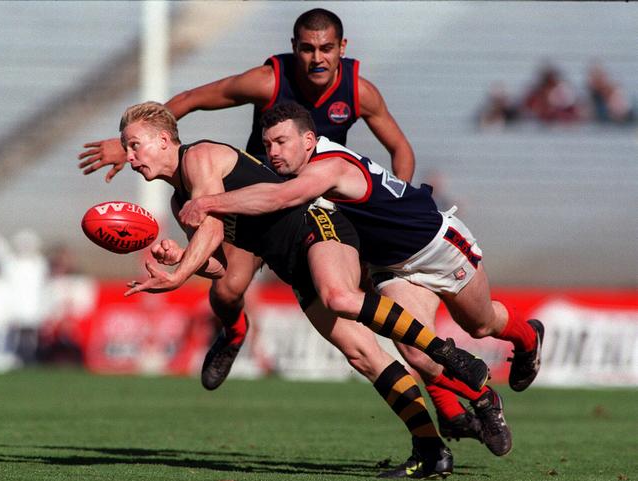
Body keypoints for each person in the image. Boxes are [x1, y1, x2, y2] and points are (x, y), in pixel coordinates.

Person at [116, 101, 494, 478]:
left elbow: (213, 226)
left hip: (316, 224)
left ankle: (452, 355)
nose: (130, 156)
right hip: (291, 265)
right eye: (127, 147)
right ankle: (430, 450)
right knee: (362, 355)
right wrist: (182, 257)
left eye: (135, 145)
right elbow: (220, 267)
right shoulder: (180, 200)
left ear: (165, 139)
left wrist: (179, 275)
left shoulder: (199, 157)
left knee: (339, 296)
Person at [77, 8, 416, 395]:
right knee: (226, 289)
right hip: (251, 200)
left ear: (342, 48)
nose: (317, 58)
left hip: (319, 205)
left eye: (325, 48)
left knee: (375, 315)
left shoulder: (359, 91)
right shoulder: (269, 81)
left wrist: (393, 204)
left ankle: (450, 392)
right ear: (294, 48)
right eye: (307, 48)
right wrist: (132, 145)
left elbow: (400, 149)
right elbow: (192, 98)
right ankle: (234, 333)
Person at [179, 101, 548, 447]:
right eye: (267, 143)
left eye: (281, 141)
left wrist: (207, 202)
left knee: (481, 325)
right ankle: (477, 406)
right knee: (414, 350)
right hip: (390, 267)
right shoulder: (296, 170)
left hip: (434, 246)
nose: (273, 151)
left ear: (308, 140)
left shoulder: (328, 165)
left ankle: (528, 339)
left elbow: (280, 199)